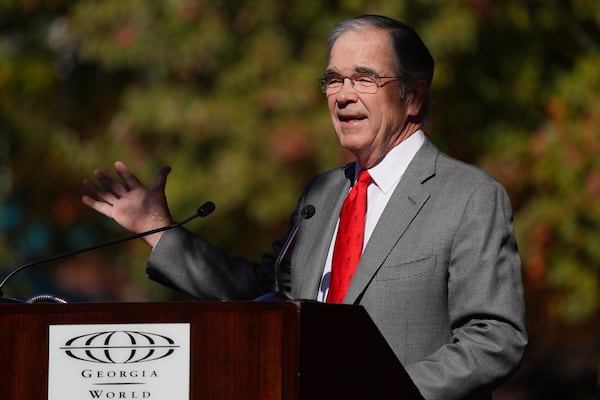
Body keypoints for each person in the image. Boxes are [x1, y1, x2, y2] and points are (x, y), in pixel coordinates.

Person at [83, 15, 527, 400]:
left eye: (364, 78)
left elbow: (495, 338)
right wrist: (158, 230)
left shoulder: (468, 195)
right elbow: (261, 295)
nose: (343, 95)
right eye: (333, 80)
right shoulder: (323, 194)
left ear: (412, 96)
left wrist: (386, 393)